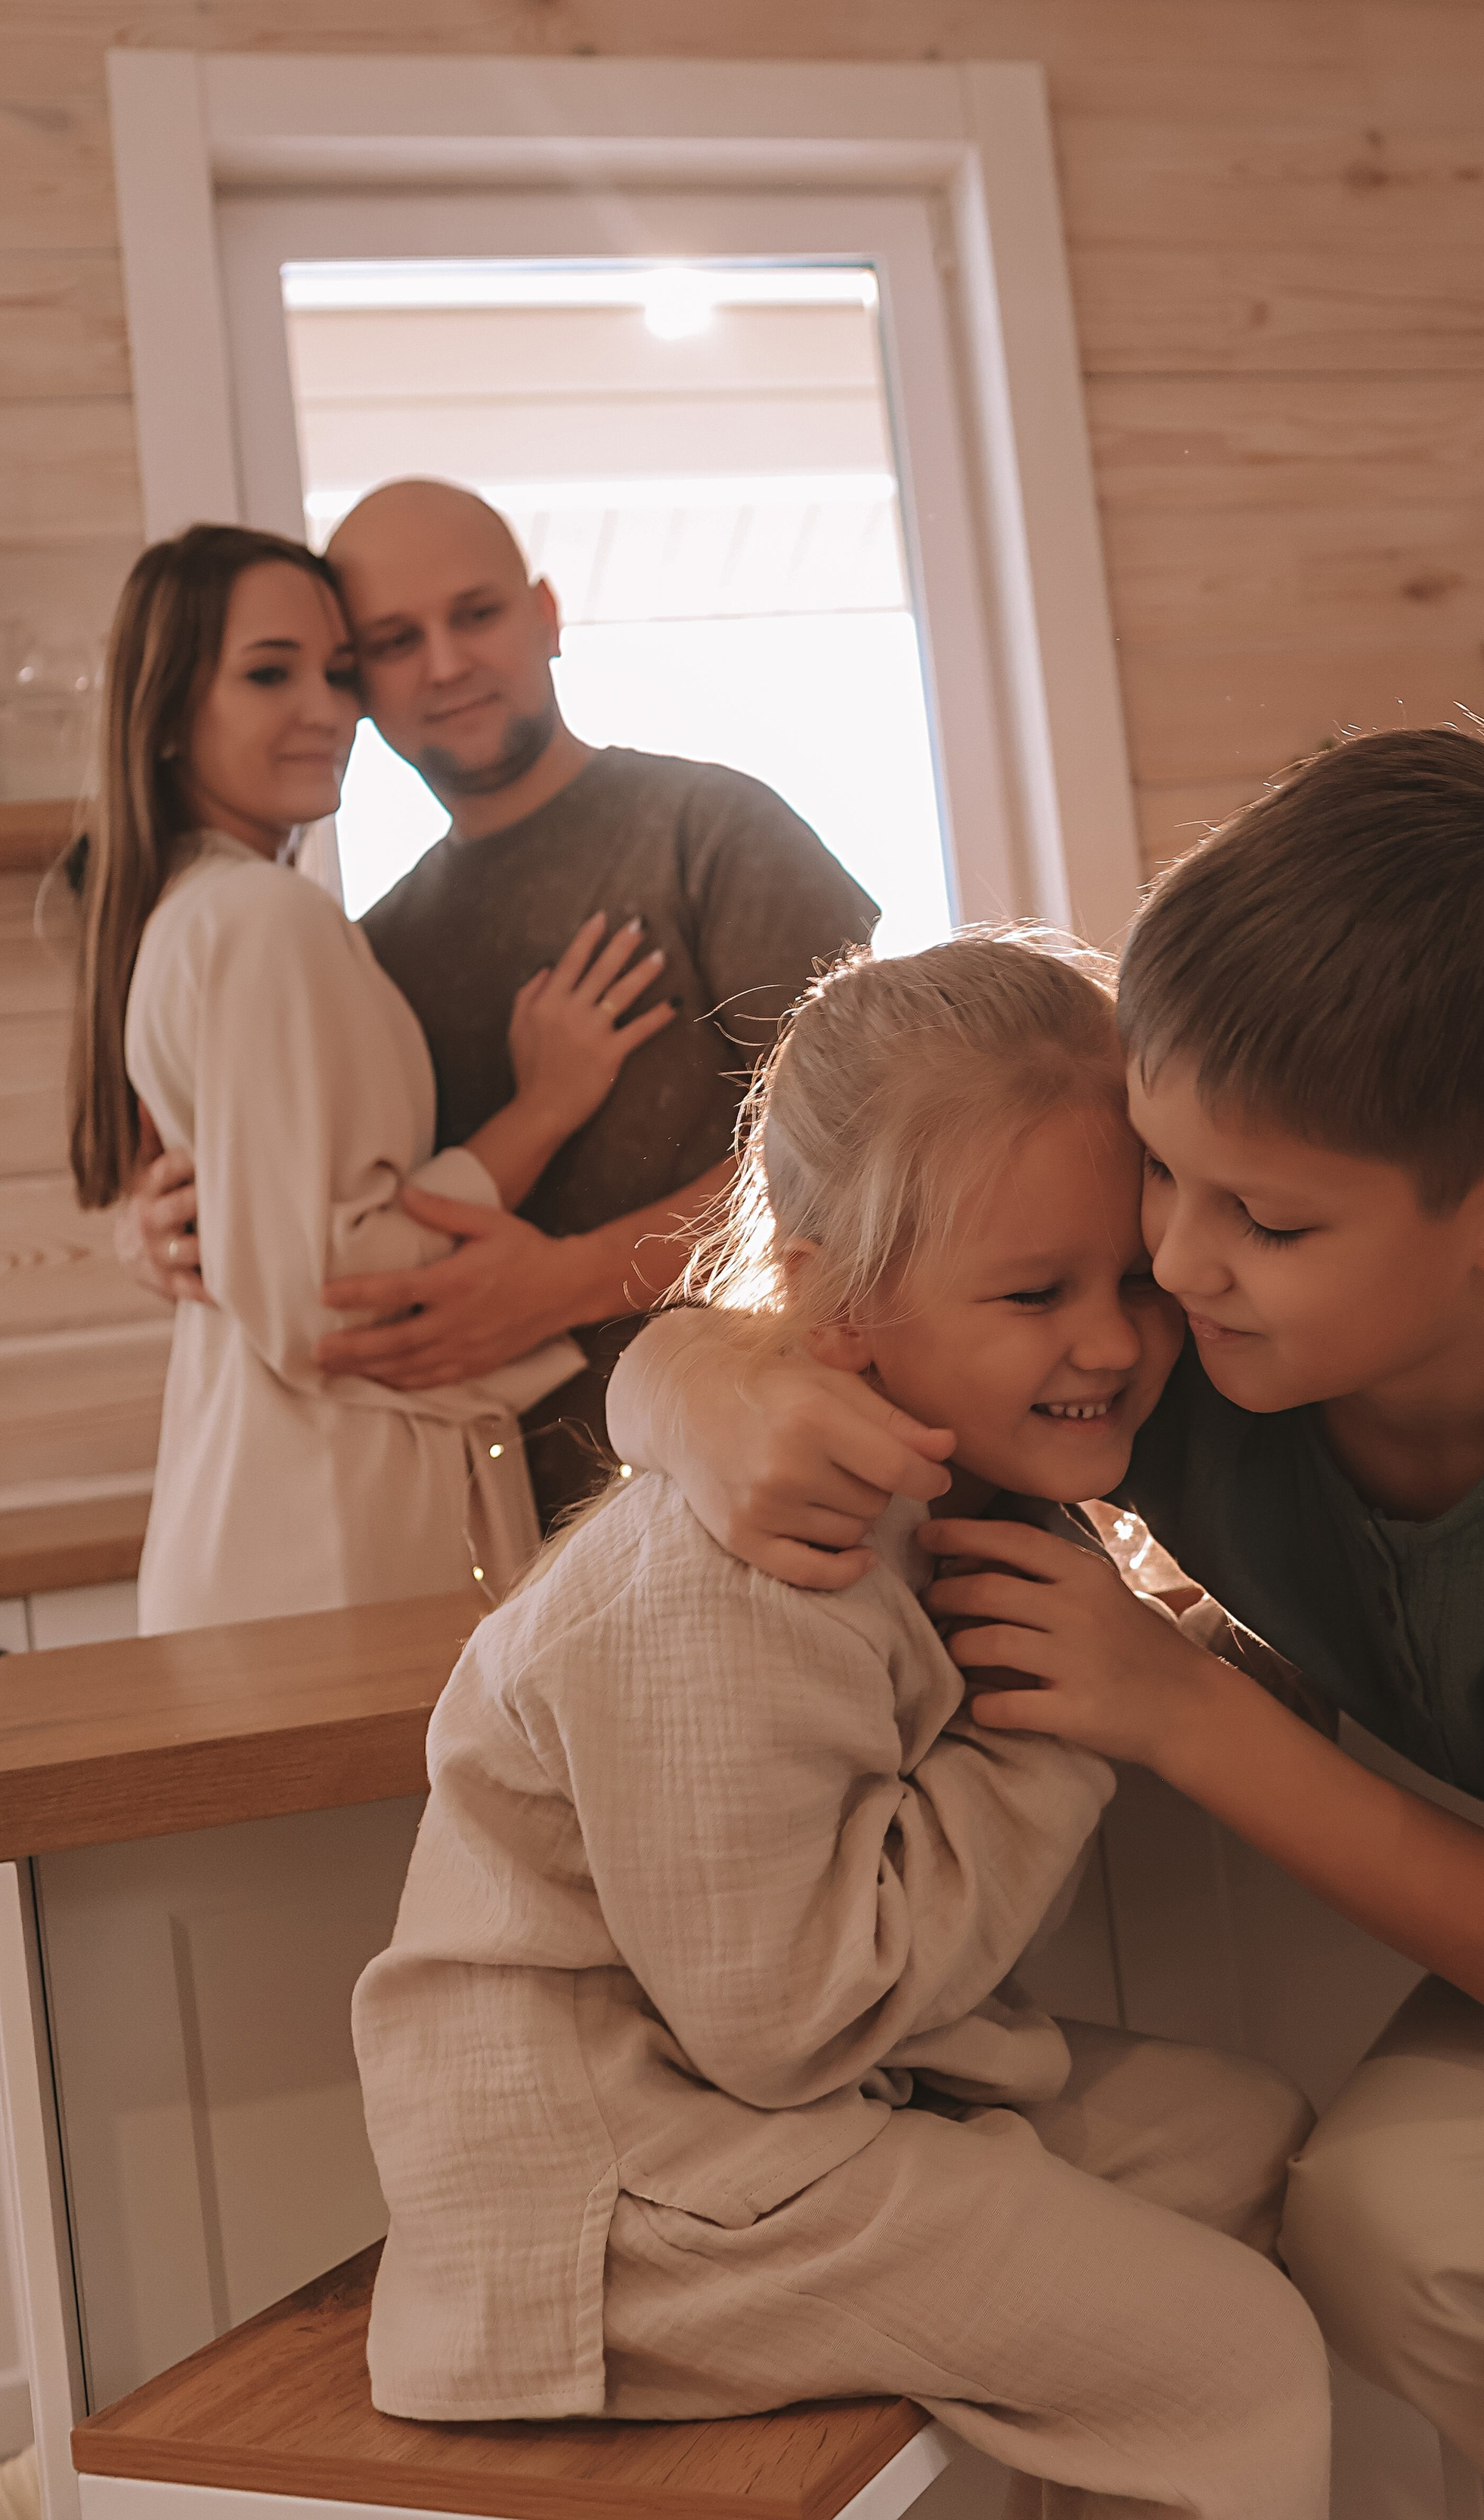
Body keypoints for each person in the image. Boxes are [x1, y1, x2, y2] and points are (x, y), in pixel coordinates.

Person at [615, 727, 1484, 2520]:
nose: (1171, 1260)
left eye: (1266, 1216)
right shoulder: (1185, 1358)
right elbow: (862, 1324)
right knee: (1381, 2235)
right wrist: (682, 1384)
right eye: (1162, 1170)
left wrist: (1176, 1705)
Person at [352, 931, 1331, 2520]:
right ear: (835, 1303)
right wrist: (1057, 1725)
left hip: (777, 2126)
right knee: (1235, 2361)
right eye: (1034, 1293)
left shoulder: (959, 1469)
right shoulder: (737, 1574)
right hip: (616, 2208)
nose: (1108, 1341)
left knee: (1244, 2143)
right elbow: (790, 2017)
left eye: (1130, 1280)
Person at [122, 478, 878, 1525]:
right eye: (392, 641)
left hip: (775, 1483)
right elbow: (342, 1240)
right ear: (363, 684)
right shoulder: (367, 949)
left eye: (476, 615)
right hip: (501, 1530)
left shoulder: (717, 830)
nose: (444, 663)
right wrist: (168, 1233)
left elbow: (872, 1150)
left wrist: (574, 1280)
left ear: (547, 616)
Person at [70, 525, 676, 1633]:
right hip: (328, 1548)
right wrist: (541, 1111)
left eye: (341, 672)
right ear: (163, 713)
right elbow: (330, 1299)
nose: (329, 708)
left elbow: (277, 1248)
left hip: (287, 1526)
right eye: (269, 673)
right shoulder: (263, 919)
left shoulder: (203, 913)